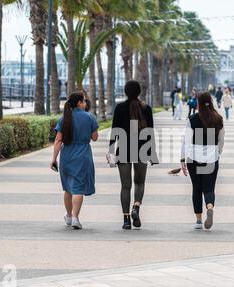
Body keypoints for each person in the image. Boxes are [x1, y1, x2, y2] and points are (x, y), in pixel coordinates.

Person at [108, 80, 158, 230]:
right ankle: (136, 207)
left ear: (125, 91)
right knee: (140, 183)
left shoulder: (120, 108)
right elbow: (150, 133)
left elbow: (114, 131)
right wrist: (152, 153)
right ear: (139, 92)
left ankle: (126, 220)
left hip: (123, 149)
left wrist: (111, 151)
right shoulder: (147, 109)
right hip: (142, 149)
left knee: (125, 186)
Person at [51, 92, 99, 230]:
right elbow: (94, 137)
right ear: (79, 103)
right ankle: (76, 218)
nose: (85, 103)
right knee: (78, 188)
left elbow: (58, 140)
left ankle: (68, 215)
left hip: (67, 156)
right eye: (84, 101)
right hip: (83, 155)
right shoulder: (89, 117)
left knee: (68, 188)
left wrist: (54, 159)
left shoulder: (64, 118)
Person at [180, 92, 225, 230]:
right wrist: (217, 153)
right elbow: (221, 140)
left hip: (194, 158)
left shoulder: (192, 119)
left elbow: (186, 141)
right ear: (210, 102)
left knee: (197, 188)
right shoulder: (218, 119)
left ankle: (199, 220)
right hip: (211, 158)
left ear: (198, 103)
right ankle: (209, 207)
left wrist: (183, 158)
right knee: (209, 187)